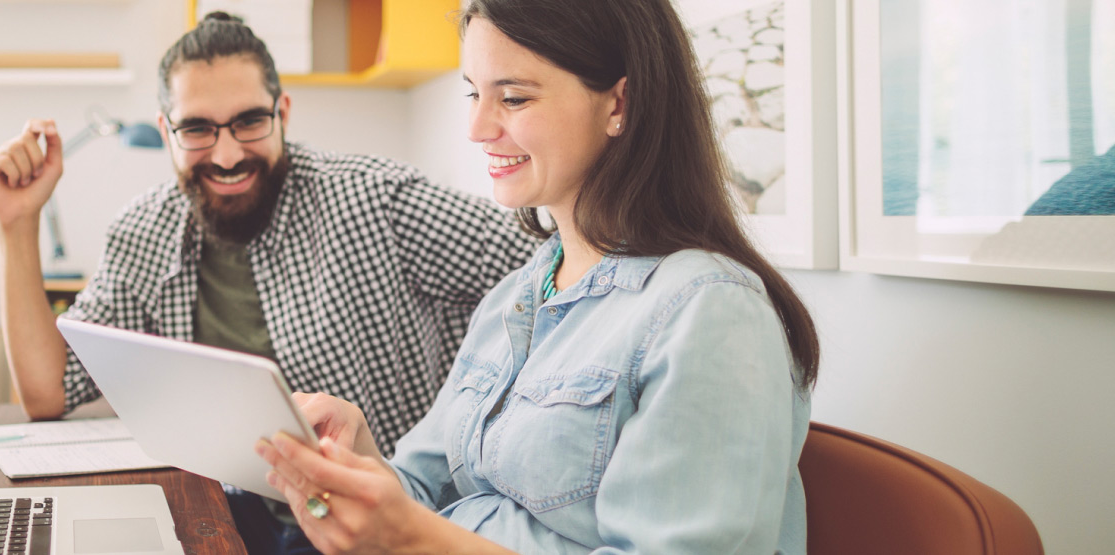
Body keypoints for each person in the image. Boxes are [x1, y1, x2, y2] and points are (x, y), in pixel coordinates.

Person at [255, 0, 821, 553]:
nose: (477, 128)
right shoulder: (516, 295)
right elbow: (423, 497)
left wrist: (410, 538)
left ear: (620, 102)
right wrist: (360, 461)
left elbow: (420, 533)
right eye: (475, 94)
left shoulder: (710, 310)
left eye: (515, 97)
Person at [0, 11, 540, 554]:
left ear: (283, 113)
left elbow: (555, 269)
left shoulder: (376, 200)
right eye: (197, 129)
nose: (226, 155)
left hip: (380, 525)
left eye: (249, 121)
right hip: (231, 509)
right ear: (164, 131)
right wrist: (17, 222)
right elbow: (47, 390)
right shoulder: (142, 232)